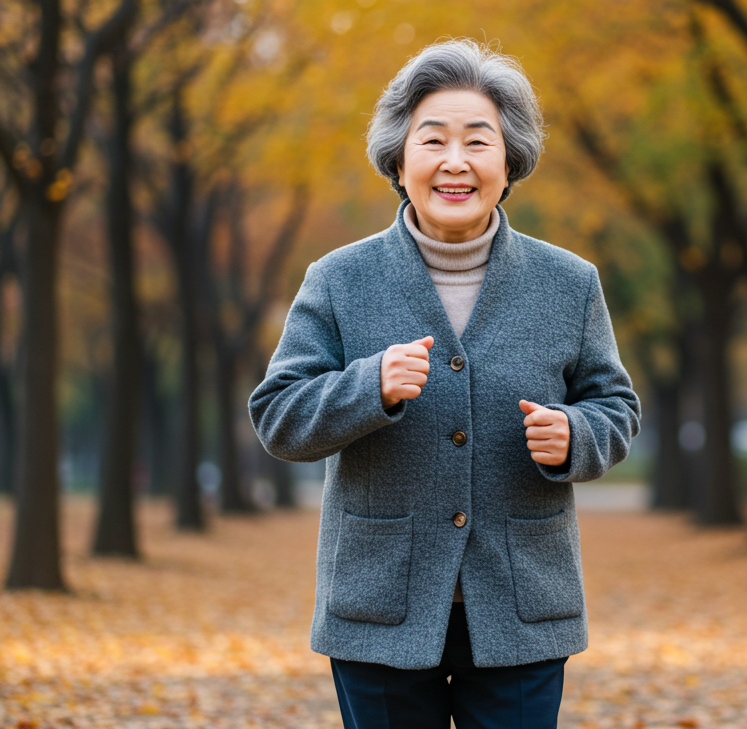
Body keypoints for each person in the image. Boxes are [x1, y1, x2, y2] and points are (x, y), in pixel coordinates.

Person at [249, 39, 640, 729]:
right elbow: (279, 416)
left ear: (509, 161)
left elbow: (615, 406)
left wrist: (577, 435)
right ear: (399, 160)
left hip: (521, 605)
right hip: (380, 606)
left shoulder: (569, 284)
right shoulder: (339, 279)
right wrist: (371, 386)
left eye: (478, 142)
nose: (455, 162)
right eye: (432, 140)